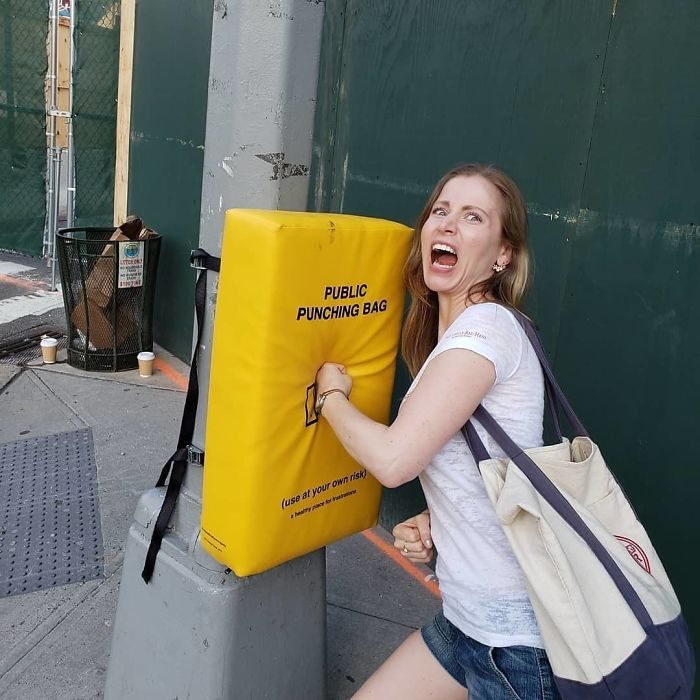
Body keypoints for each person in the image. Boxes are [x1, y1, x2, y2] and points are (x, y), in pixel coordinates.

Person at [315, 163, 561, 699]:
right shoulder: (457, 338)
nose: (446, 225)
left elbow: (395, 459)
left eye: (472, 217)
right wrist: (439, 517)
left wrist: (329, 396)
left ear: (503, 255)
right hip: (464, 624)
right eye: (440, 211)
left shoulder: (487, 328)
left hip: (515, 648)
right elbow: (495, 463)